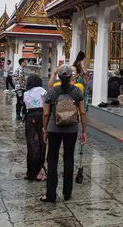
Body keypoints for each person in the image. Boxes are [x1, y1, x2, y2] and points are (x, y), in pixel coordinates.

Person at [39, 64, 87, 203]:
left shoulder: (52, 91)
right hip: (72, 129)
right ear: (71, 76)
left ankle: (51, 194)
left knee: (52, 159)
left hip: (54, 128)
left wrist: (44, 129)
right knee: (69, 158)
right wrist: (84, 131)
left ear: (59, 77)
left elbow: (46, 114)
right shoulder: (77, 91)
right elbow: (83, 112)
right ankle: (67, 192)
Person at [23, 74, 47, 180]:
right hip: (40, 116)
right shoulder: (42, 90)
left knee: (31, 145)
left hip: (30, 117)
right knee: (41, 144)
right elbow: (47, 104)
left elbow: (26, 106)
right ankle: (40, 171)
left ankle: (31, 172)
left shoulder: (26, 93)